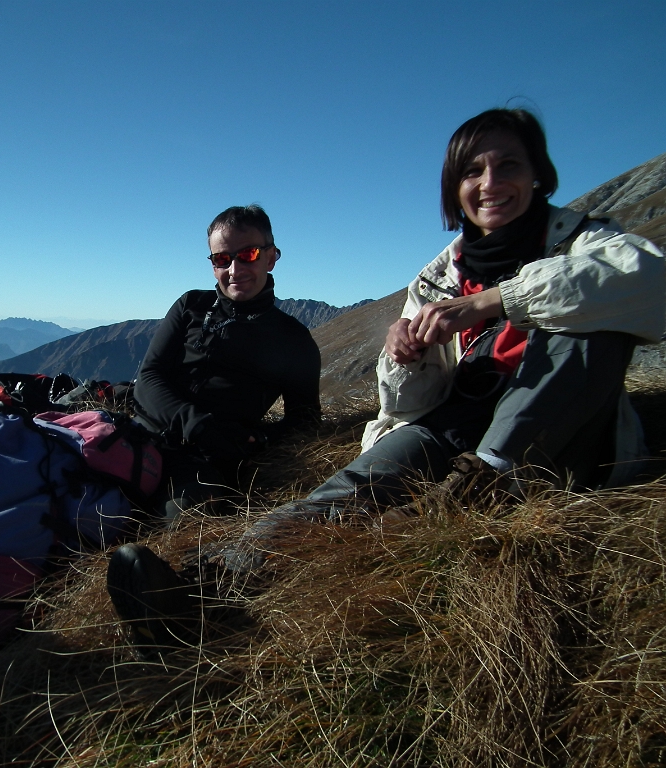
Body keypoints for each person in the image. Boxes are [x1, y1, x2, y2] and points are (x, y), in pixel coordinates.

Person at [106, 108, 666, 652]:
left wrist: (497, 302)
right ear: (454, 188)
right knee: (344, 493)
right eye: (472, 171)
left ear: (538, 175)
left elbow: (650, 284)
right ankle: (198, 590)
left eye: (508, 166)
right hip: (456, 423)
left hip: (552, 437)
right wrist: (405, 358)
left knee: (585, 325)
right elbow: (411, 404)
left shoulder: (586, 243)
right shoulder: (439, 275)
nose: (490, 183)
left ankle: (484, 483)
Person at [132, 204, 322, 519]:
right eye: (222, 259)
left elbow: (305, 420)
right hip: (144, 432)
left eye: (247, 255)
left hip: (204, 462)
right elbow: (149, 378)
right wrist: (197, 424)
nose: (234, 270)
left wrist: (257, 440)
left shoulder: (294, 340)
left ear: (272, 256)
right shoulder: (191, 305)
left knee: (189, 517)